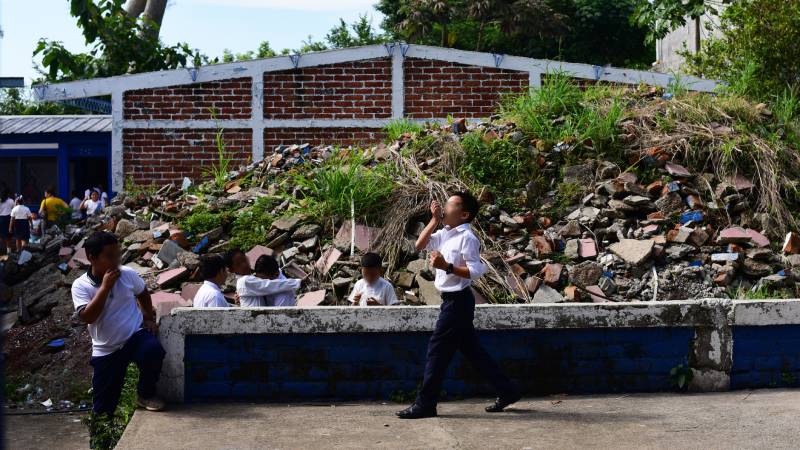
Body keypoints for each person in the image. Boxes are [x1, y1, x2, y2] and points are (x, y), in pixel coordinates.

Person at [397, 192, 520, 420]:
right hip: (451, 301)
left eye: (449, 205)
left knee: (437, 351)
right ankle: (508, 390)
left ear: (464, 214)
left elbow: (475, 271)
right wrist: (434, 221)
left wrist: (447, 266)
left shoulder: (468, 238)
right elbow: (419, 245)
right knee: (473, 352)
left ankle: (425, 404)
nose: (444, 207)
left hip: (458, 302)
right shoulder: (445, 233)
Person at [71, 231, 166, 416]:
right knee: (103, 408)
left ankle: (145, 394)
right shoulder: (81, 285)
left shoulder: (127, 274)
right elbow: (88, 317)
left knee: (154, 350)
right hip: (106, 347)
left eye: (118, 254)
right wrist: (105, 287)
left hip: (133, 336)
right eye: (109, 256)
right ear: (92, 258)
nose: (116, 261)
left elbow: (143, 293)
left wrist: (148, 318)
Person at [236, 255, 302, 307]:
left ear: (275, 275)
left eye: (264, 280)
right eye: (259, 279)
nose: (261, 282)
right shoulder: (265, 276)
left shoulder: (283, 296)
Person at [0, 189, 14, 253]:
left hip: (1, 218)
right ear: (8, 194)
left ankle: (1, 251)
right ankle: (9, 253)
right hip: (8, 219)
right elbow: (14, 210)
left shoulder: (0, 200)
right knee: (8, 237)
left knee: (1, 236)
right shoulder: (11, 201)